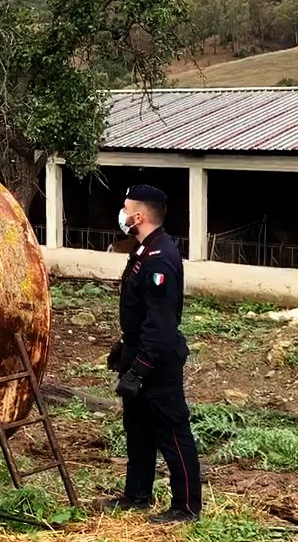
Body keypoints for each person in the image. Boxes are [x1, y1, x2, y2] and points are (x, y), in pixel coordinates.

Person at [98, 185, 203, 524]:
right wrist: (125, 353)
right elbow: (140, 315)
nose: (122, 214)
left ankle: (186, 506)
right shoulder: (144, 250)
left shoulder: (160, 258)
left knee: (172, 430)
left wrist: (139, 369)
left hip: (158, 362)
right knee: (138, 428)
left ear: (139, 216)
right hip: (139, 352)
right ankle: (137, 494)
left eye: (126, 208)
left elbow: (161, 326)